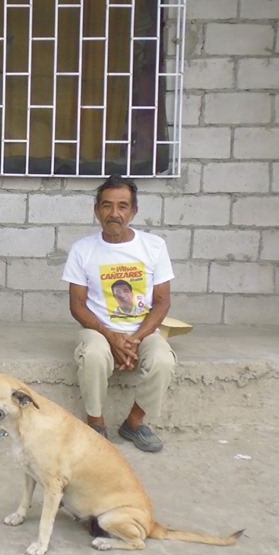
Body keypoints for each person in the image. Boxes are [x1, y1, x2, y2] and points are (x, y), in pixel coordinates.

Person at [61, 174, 176, 453]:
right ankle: (96, 424)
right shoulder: (83, 250)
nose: (114, 213)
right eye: (107, 205)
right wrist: (110, 335)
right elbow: (77, 305)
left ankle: (134, 423)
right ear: (97, 210)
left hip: (142, 330)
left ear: (133, 211)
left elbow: (162, 302)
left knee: (162, 359)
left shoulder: (154, 246)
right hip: (98, 329)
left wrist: (135, 339)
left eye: (122, 206)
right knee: (93, 354)